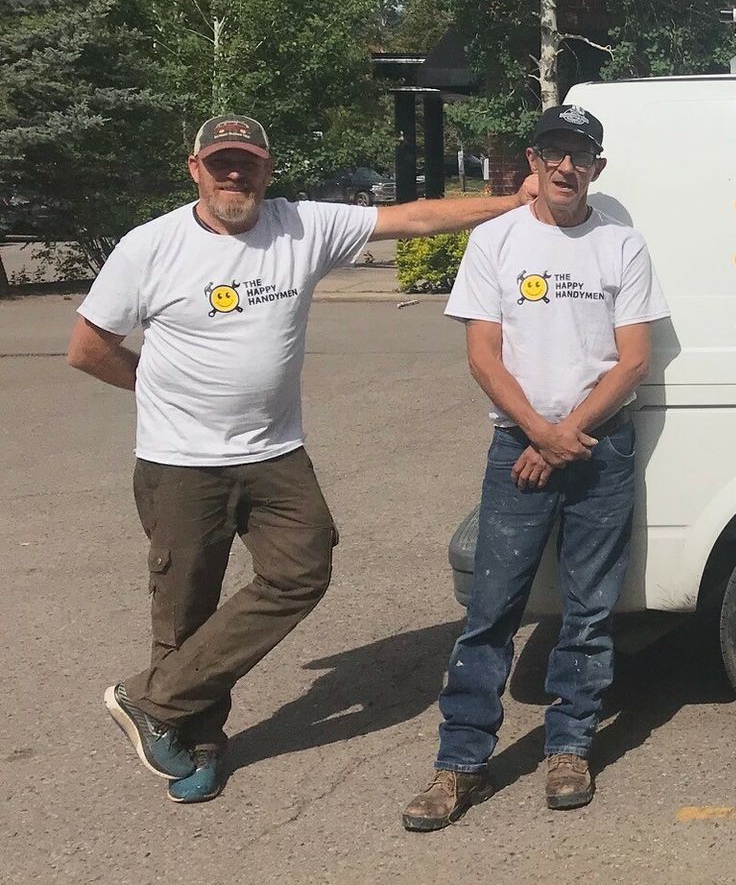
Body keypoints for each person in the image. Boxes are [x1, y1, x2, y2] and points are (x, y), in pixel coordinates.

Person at [70, 114, 537, 804]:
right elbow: (87, 347)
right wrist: (156, 383)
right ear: (194, 168)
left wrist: (510, 204)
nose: (235, 175)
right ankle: (197, 743)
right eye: (221, 163)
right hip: (179, 461)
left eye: (248, 163)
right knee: (185, 609)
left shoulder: (300, 226)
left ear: (267, 168)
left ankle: (152, 701)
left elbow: (411, 219)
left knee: (302, 569)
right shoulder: (152, 246)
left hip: (273, 453)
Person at [402, 103, 667, 831]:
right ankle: (460, 764)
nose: (565, 166)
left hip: (598, 450)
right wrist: (537, 435)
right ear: (533, 160)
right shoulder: (496, 241)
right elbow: (483, 353)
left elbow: (634, 358)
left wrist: (565, 434)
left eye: (579, 155)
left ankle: (570, 748)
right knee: (491, 612)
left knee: (588, 612)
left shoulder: (623, 247)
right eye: (553, 151)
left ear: (596, 168)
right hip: (517, 448)